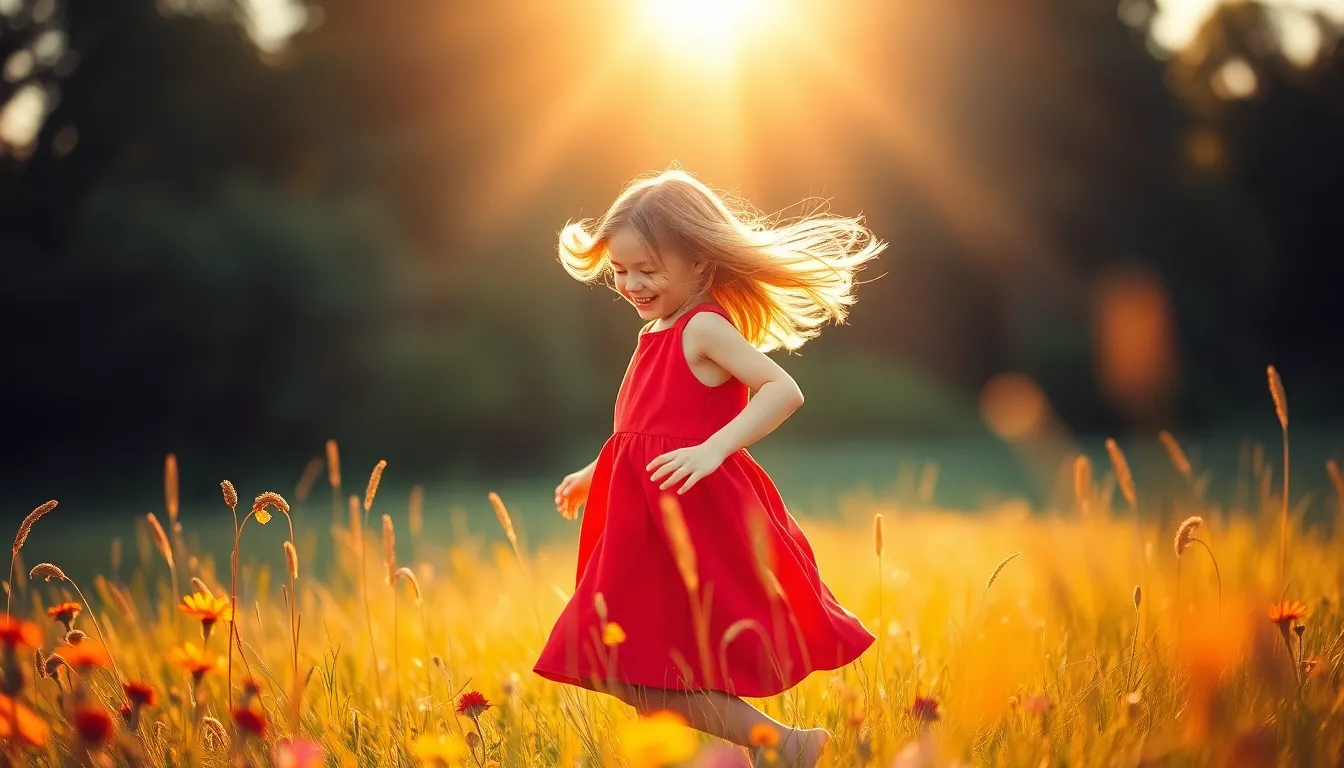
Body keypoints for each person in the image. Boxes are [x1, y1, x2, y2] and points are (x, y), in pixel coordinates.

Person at [533, 168, 884, 767]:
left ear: (699, 262)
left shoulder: (703, 327)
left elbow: (783, 389)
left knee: (634, 669)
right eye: (619, 271)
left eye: (647, 268)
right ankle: (747, 754)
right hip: (641, 521)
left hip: (687, 517)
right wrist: (597, 470)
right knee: (637, 664)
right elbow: (636, 426)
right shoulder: (656, 330)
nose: (632, 283)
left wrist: (714, 447)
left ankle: (787, 745)